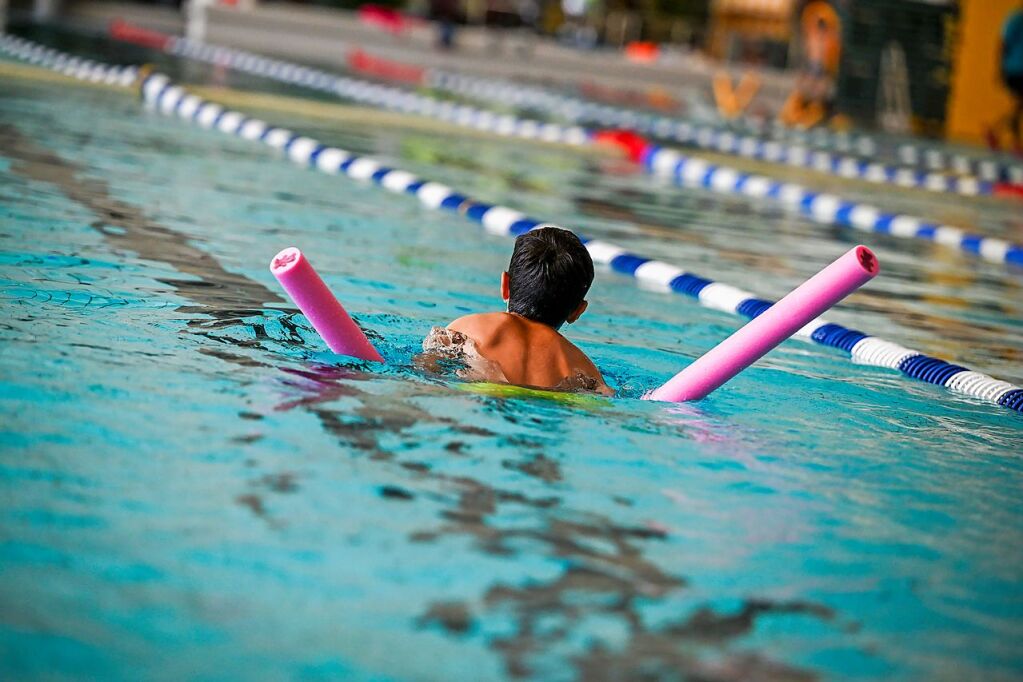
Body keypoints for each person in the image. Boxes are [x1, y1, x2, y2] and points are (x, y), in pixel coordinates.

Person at [421, 226, 611, 395]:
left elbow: (426, 369)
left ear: (505, 285)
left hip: (481, 397)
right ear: (578, 311)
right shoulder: (583, 368)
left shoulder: (468, 328)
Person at [990, 4, 1023, 153]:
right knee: (1018, 106)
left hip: (1015, 69)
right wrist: (999, 69)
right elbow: (1002, 44)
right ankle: (1015, 143)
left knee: (1017, 107)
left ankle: (994, 131)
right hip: (1014, 69)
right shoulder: (1015, 20)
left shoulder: (1014, 19)